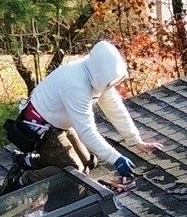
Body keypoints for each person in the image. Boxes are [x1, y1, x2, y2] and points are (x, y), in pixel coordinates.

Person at [13, 39, 161, 189]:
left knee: (90, 161)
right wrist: (116, 159)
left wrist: (136, 140)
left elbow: (115, 109)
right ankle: (23, 179)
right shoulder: (75, 85)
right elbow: (87, 131)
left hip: (59, 124)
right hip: (40, 129)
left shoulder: (97, 77)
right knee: (74, 172)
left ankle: (36, 161)